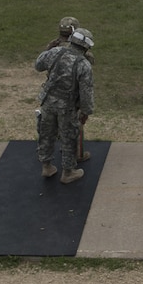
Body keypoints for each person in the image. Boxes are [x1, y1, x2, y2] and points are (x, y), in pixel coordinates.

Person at [35, 28, 95, 184]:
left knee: (46, 133)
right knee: (69, 137)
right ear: (86, 46)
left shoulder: (56, 52)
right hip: (67, 107)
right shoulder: (84, 65)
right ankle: (68, 172)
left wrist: (48, 48)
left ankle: (46, 166)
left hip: (48, 101)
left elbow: (38, 65)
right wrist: (86, 111)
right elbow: (86, 92)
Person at [46, 16, 92, 163]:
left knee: (52, 125)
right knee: (74, 126)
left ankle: (53, 156)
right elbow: (88, 65)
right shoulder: (79, 50)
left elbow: (41, 63)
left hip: (52, 92)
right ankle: (77, 154)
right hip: (72, 95)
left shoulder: (53, 47)